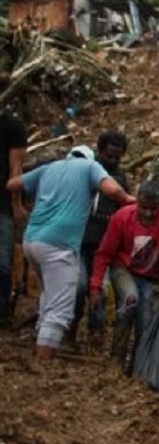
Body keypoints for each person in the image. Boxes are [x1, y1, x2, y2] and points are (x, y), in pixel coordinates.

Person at [7, 146, 133, 359]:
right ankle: (44, 359)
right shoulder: (91, 167)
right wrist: (131, 201)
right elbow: (112, 190)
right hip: (59, 245)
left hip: (32, 241)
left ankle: (41, 345)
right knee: (60, 308)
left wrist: (24, 198)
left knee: (50, 296)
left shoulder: (50, 167)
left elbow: (12, 184)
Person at [89, 179, 159, 358]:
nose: (148, 214)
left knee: (146, 319)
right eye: (143, 208)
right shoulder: (122, 217)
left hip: (150, 277)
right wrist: (95, 286)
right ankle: (117, 357)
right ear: (137, 202)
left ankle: (139, 365)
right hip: (123, 269)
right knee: (130, 300)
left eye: (153, 209)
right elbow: (104, 253)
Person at [72, 130, 130, 350]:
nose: (112, 161)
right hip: (79, 239)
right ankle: (71, 327)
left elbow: (123, 211)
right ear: (99, 151)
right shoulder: (86, 170)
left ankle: (96, 336)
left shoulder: (120, 179)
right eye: (108, 156)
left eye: (117, 157)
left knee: (102, 290)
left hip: (104, 245)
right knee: (78, 286)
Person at [0, 111, 27, 327]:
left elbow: (16, 168)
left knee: (3, 263)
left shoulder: (12, 126)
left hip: (2, 205)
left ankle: (3, 311)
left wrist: (16, 204)